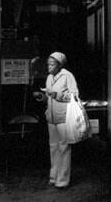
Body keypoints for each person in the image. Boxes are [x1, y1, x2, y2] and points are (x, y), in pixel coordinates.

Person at [34, 51, 78, 189]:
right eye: (48, 64)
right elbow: (49, 97)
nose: (49, 67)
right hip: (51, 117)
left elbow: (74, 96)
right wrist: (43, 97)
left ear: (60, 65)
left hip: (63, 116)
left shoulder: (67, 76)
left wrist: (56, 95)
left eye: (52, 64)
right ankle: (54, 177)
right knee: (53, 147)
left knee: (64, 147)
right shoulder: (49, 78)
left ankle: (63, 180)